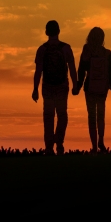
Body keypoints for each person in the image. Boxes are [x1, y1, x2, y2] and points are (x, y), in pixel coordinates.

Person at [32, 20, 77, 155]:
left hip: (47, 87)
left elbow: (38, 71)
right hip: (62, 87)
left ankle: (49, 147)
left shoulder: (42, 49)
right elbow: (72, 68)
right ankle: (59, 143)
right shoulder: (66, 48)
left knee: (48, 117)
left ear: (46, 32)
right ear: (58, 31)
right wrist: (75, 84)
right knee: (62, 116)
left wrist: (35, 89)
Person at [73, 26, 111, 152]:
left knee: (92, 116)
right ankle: (101, 142)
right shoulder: (107, 53)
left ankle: (94, 146)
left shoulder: (87, 50)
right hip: (103, 88)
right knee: (101, 116)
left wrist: (78, 86)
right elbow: (110, 74)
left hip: (89, 87)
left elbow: (81, 70)